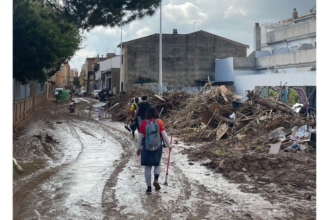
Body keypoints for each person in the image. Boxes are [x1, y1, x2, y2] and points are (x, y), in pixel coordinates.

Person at [136, 107, 172, 194]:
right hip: (158, 146)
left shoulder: (144, 123)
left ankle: (148, 187)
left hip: (147, 146)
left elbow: (140, 137)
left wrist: (139, 148)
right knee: (157, 164)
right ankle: (156, 179)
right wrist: (169, 145)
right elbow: (164, 135)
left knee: (147, 167)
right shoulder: (159, 122)